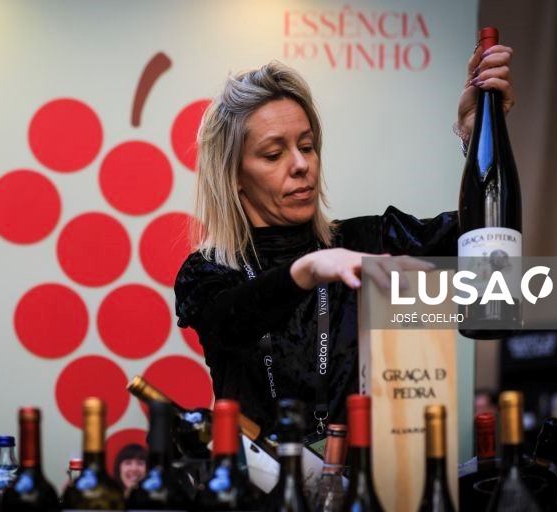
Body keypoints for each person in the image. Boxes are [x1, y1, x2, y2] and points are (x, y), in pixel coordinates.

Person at [174, 44, 514, 437]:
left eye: (307, 146)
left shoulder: (365, 242)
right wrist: (308, 270)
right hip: (255, 492)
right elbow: (231, 322)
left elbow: (490, 247)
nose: (301, 165)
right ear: (233, 174)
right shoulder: (208, 273)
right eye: (273, 154)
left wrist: (476, 135)